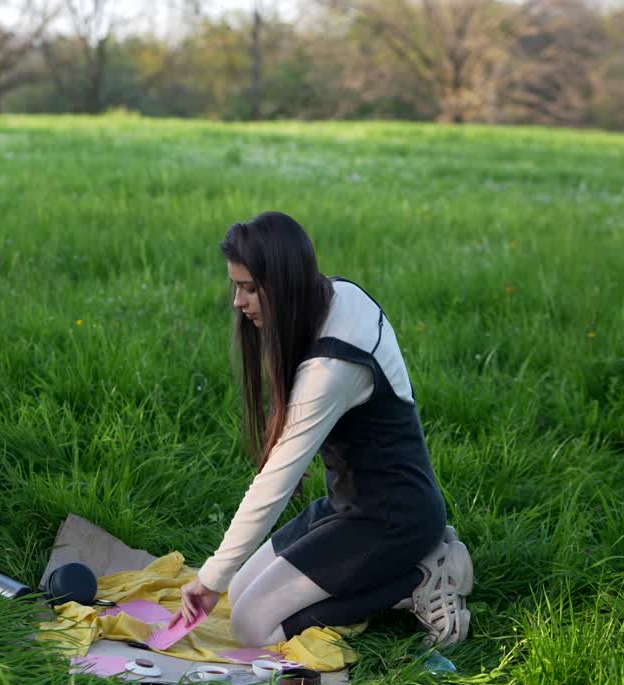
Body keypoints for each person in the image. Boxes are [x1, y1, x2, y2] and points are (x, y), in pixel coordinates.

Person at [175, 211, 473, 649]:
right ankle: (410, 566)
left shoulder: (332, 369)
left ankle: (418, 580)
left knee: (252, 627)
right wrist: (222, 580)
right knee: (239, 594)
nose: (238, 302)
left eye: (249, 288)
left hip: (393, 520)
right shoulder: (337, 294)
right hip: (350, 505)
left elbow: (276, 481)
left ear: (284, 284)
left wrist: (210, 576)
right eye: (236, 285)